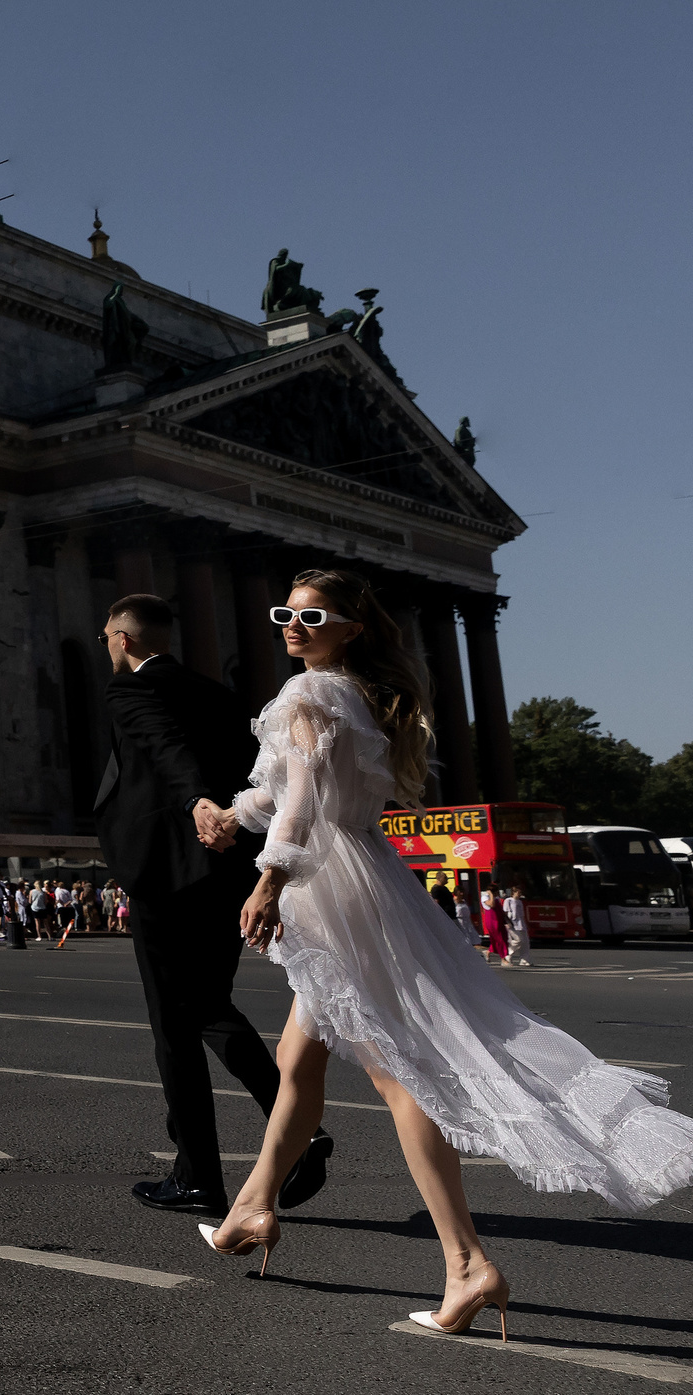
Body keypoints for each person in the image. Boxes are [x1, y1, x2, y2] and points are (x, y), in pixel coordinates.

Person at [204, 568, 693, 1337]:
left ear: (350, 627)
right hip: (371, 883)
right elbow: (294, 792)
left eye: (312, 616)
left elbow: (298, 802)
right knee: (298, 1061)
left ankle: (467, 1264)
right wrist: (229, 812)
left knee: (402, 1078)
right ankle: (252, 1208)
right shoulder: (358, 699)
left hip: (332, 892)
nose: (292, 626)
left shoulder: (305, 696)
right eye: (285, 614)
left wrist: (267, 877)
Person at [93, 592, 314, 1216]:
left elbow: (166, 750)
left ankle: (198, 1176)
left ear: (126, 638)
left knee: (173, 1025)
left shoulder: (130, 691)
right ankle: (299, 1134)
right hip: (226, 868)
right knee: (206, 1006)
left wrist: (195, 800)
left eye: (108, 635)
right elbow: (257, 773)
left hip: (167, 870)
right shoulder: (216, 692)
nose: (107, 645)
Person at [501, 881, 533, 968]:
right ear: (514, 892)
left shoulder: (520, 902)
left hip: (521, 923)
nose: (520, 894)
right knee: (518, 940)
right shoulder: (508, 901)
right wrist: (506, 922)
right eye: (518, 892)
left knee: (525, 943)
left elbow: (522, 915)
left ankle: (524, 960)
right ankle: (508, 954)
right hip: (512, 924)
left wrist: (526, 924)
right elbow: (505, 913)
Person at [478, 887, 506, 961]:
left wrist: (507, 920)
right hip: (491, 921)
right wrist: (491, 894)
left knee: (499, 939)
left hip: (498, 920)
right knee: (500, 939)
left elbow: (501, 910)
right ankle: (503, 958)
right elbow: (492, 905)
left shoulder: (497, 899)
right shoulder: (485, 898)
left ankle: (487, 952)